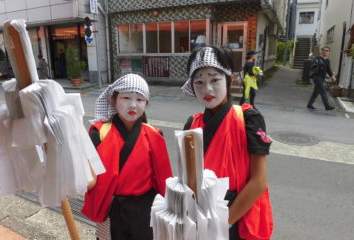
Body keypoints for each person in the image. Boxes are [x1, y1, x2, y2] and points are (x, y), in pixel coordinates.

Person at [182, 46, 273, 240]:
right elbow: (188, 178)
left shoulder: (249, 118)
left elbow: (259, 182)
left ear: (229, 80)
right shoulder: (192, 123)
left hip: (237, 216)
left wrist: (223, 224)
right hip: (201, 216)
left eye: (215, 79)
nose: (207, 89)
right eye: (199, 82)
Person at [81, 73, 172, 240]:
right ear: (113, 100)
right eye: (126, 98)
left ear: (146, 102)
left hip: (145, 208)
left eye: (140, 99)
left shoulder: (155, 134)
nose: (133, 105)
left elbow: (162, 178)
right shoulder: (99, 132)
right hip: (112, 206)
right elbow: (88, 176)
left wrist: (170, 206)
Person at [307, 46, 336, 110]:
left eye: (327, 51)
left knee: (316, 92)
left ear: (329, 52)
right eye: (324, 50)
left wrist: (332, 76)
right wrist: (317, 65)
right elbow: (313, 66)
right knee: (323, 91)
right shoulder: (318, 58)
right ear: (322, 51)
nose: (325, 51)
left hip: (322, 78)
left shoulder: (327, 60)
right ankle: (327, 106)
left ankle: (309, 104)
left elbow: (328, 69)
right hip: (316, 77)